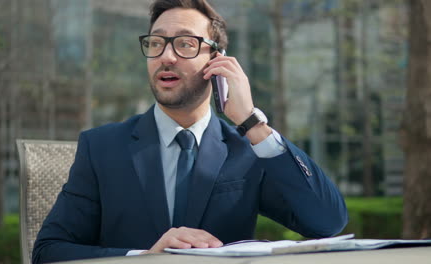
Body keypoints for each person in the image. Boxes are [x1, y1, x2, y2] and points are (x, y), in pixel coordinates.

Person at [32, 0, 348, 263]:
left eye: (185, 43)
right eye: (156, 43)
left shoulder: (247, 150)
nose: (166, 57)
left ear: (217, 60)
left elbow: (326, 222)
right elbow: (49, 252)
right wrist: (145, 256)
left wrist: (252, 122)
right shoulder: (101, 147)